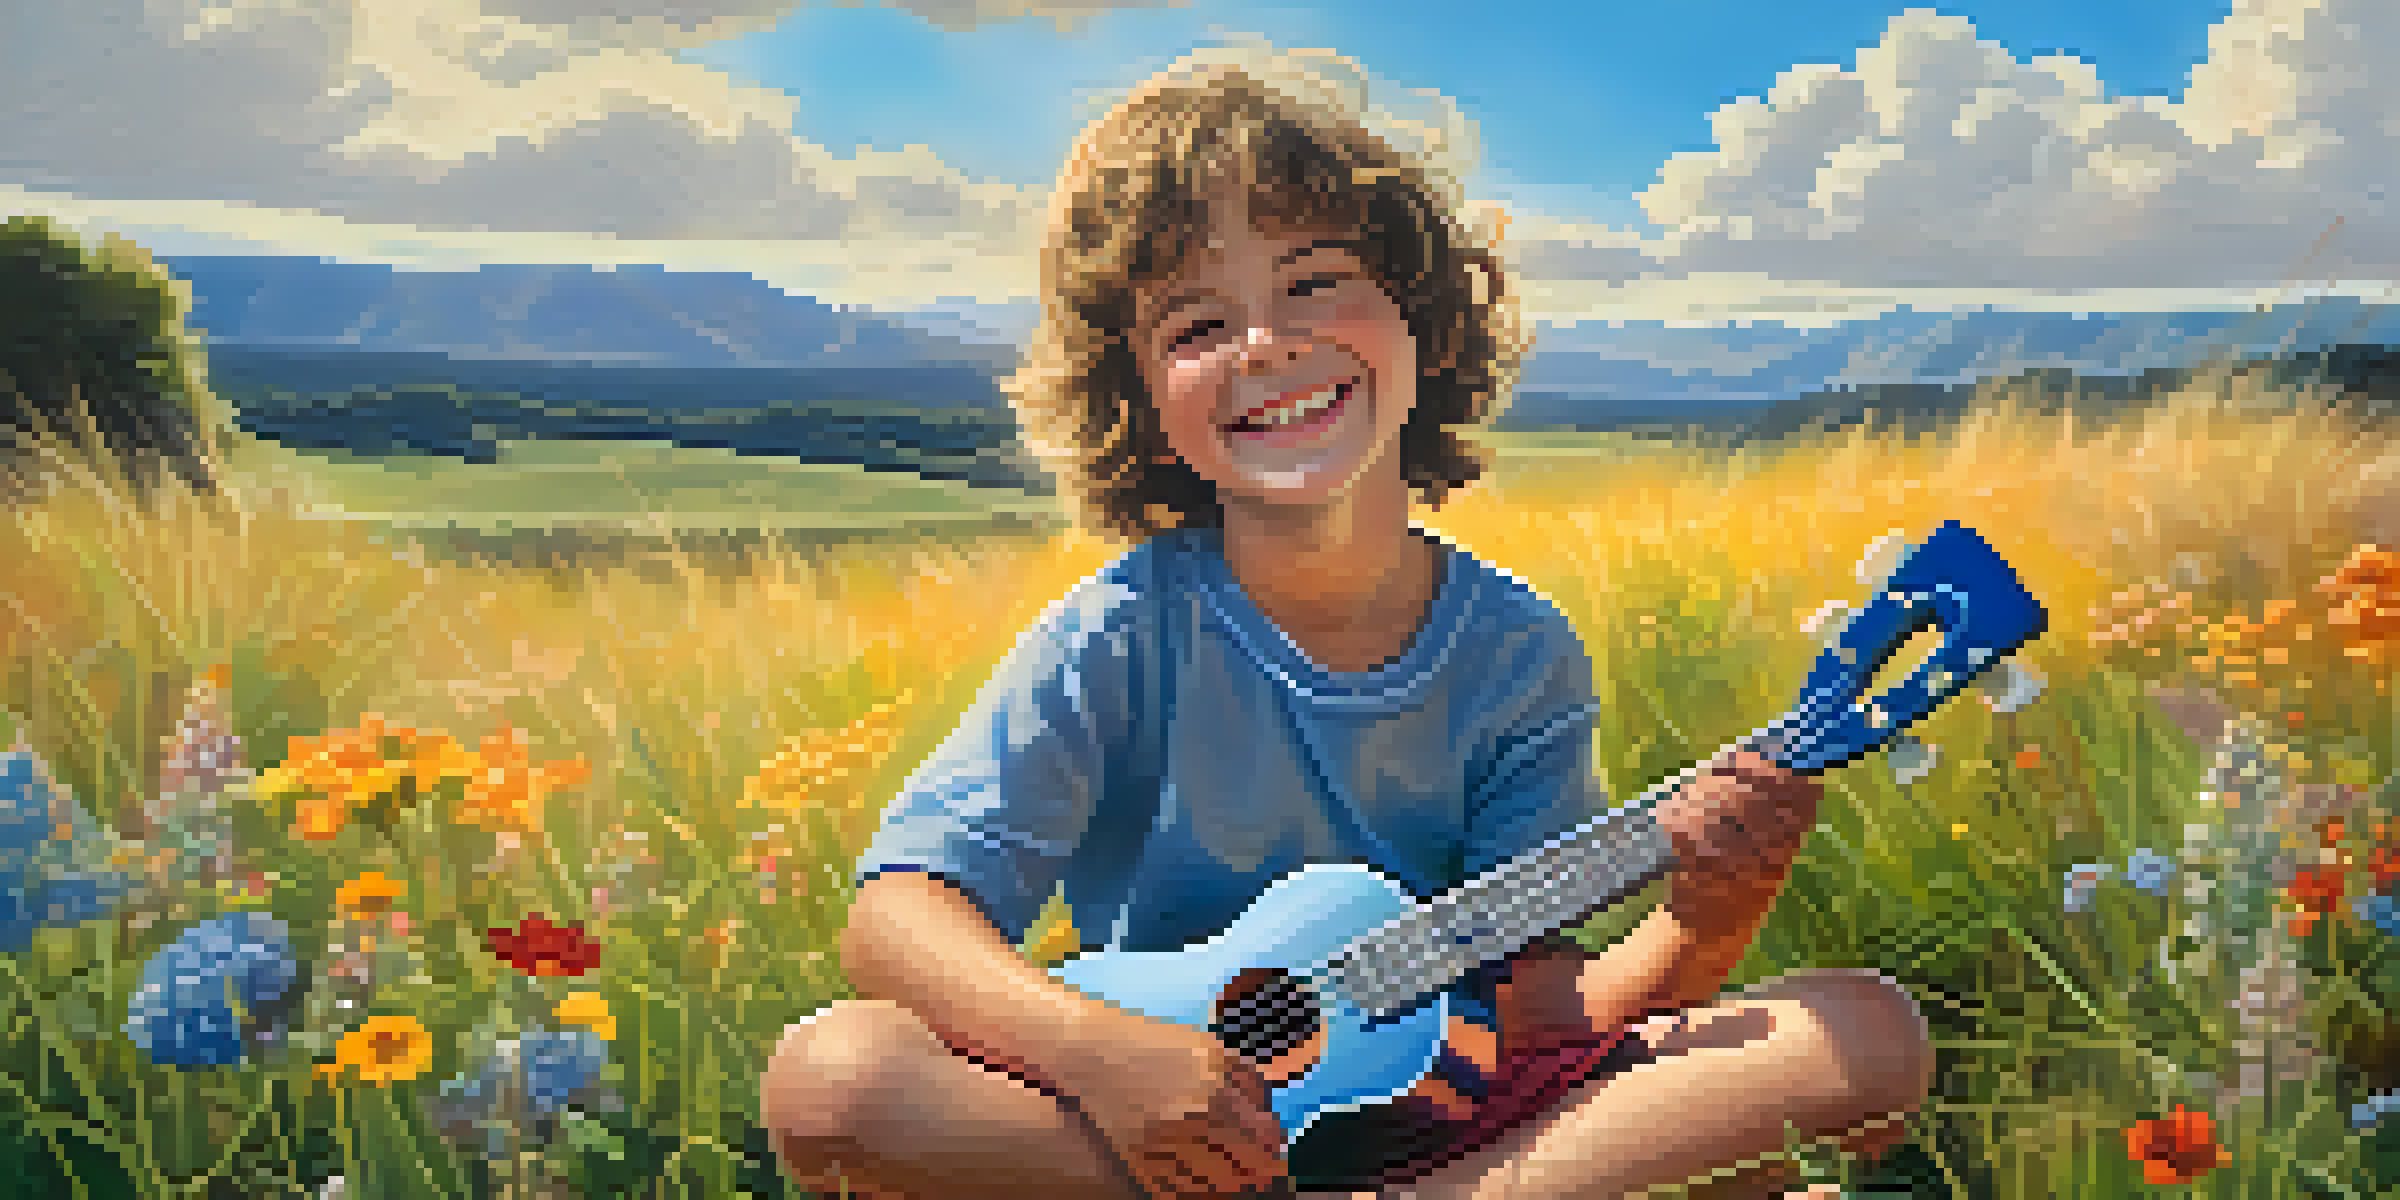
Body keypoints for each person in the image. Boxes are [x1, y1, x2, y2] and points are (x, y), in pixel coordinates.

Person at [761, 48, 1933, 1199]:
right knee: (833, 1078)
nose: (1264, 345)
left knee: (1865, 1036)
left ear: (1420, 328)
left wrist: (1702, 928)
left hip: (1453, 1121)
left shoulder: (1518, 656)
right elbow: (898, 912)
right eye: (1195, 325)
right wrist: (1097, 1055)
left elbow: (1541, 1016)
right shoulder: (1118, 637)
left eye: (1314, 283)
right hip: (1160, 1150)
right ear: (1146, 408)